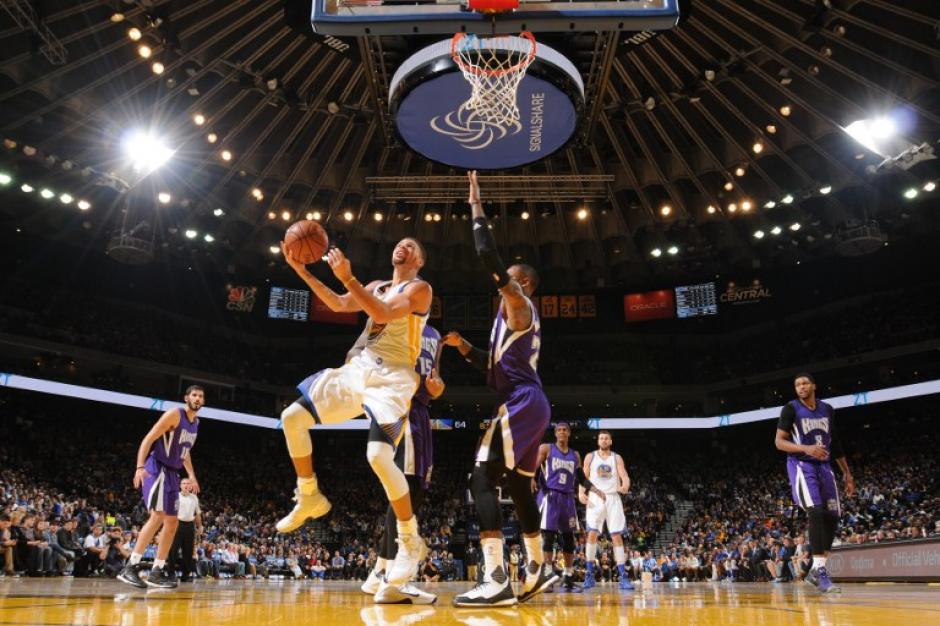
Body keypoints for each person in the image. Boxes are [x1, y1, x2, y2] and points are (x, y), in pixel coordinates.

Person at [277, 236, 433, 588]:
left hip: (393, 376)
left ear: (419, 260)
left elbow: (384, 313)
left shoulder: (421, 289)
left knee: (378, 456)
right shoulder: (376, 285)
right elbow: (336, 304)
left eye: (411, 245)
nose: (402, 246)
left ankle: (410, 540)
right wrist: (302, 271)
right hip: (360, 368)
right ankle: (309, 494)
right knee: (292, 418)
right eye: (400, 242)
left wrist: (348, 277)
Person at [447, 171, 558, 607]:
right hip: (528, 401)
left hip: (523, 403)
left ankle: (495, 577)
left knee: (480, 476)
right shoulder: (505, 324)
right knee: (518, 486)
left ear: (523, 283)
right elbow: (492, 366)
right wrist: (464, 348)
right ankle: (537, 565)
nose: (500, 285)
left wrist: (475, 204)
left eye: (508, 279)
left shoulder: (519, 304)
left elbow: (485, 253)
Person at [362, 324, 444, 605]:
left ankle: (381, 573)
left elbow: (435, 380)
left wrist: (436, 389)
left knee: (412, 491)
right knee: (405, 491)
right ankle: (392, 580)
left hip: (421, 410)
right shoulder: (395, 322)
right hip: (401, 407)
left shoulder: (434, 336)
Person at [775, 372, 855, 594]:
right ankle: (821, 573)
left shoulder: (826, 409)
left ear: (814, 386)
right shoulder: (790, 409)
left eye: (804, 383)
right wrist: (806, 448)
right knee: (816, 512)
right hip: (802, 465)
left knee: (833, 515)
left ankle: (814, 570)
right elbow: (779, 442)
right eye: (797, 385)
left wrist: (847, 473)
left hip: (825, 467)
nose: (801, 387)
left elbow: (835, 442)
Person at [117, 385, 203, 589]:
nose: (197, 398)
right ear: (186, 398)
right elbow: (148, 439)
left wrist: (191, 475)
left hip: (173, 473)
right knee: (158, 515)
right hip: (157, 469)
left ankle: (157, 570)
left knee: (172, 522)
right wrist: (139, 466)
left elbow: (185, 450)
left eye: (200, 396)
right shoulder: (175, 415)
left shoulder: (196, 423)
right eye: (194, 395)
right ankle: (130, 566)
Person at [533, 422, 605, 593]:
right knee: (548, 537)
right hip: (551, 496)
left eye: (565, 430)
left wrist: (595, 489)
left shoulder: (575, 455)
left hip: (567, 499)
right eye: (559, 430)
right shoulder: (546, 448)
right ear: (556, 433)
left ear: (569, 433)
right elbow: (534, 466)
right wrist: (531, 479)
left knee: (569, 539)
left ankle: (568, 577)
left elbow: (581, 477)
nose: (562, 432)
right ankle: (548, 577)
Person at [581, 431, 634, 591]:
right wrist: (580, 492)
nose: (603, 440)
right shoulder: (590, 456)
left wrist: (625, 485)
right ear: (598, 441)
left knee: (616, 536)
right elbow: (583, 476)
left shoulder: (616, 457)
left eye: (606, 438)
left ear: (610, 441)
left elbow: (624, 476)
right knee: (592, 534)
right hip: (595, 497)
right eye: (601, 438)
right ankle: (589, 575)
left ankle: (623, 577)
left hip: (612, 497)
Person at [167, 478, 202, 582]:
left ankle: (185, 575)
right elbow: (173, 512)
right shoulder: (176, 496)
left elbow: (197, 513)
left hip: (190, 525)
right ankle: (171, 574)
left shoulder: (194, 498)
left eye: (188, 483)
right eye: (184, 483)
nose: (186, 485)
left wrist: (199, 526)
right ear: (180, 485)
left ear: (191, 486)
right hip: (178, 524)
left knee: (188, 551)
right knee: (173, 550)